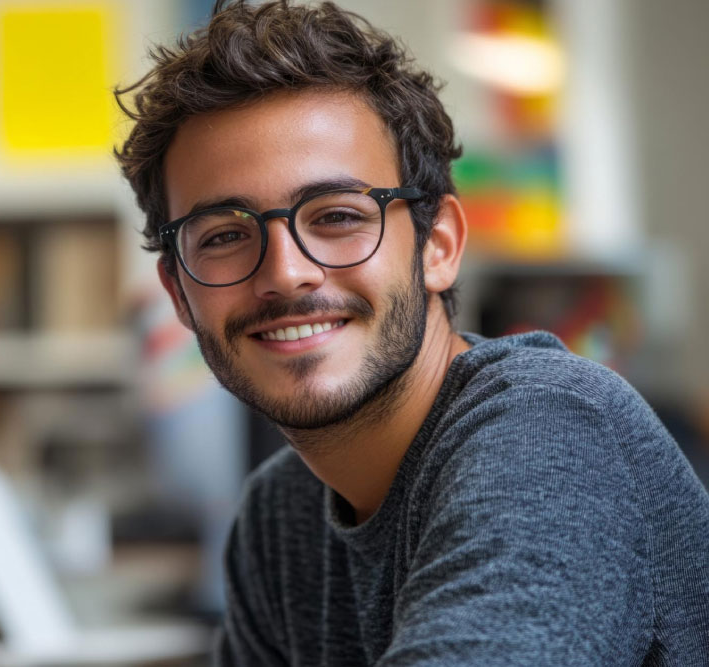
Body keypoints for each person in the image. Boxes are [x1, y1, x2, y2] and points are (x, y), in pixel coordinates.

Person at [115, 1, 709, 664]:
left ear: (439, 245)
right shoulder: (280, 518)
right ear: (178, 291)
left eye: (337, 216)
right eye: (224, 236)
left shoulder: (551, 432)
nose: (286, 273)